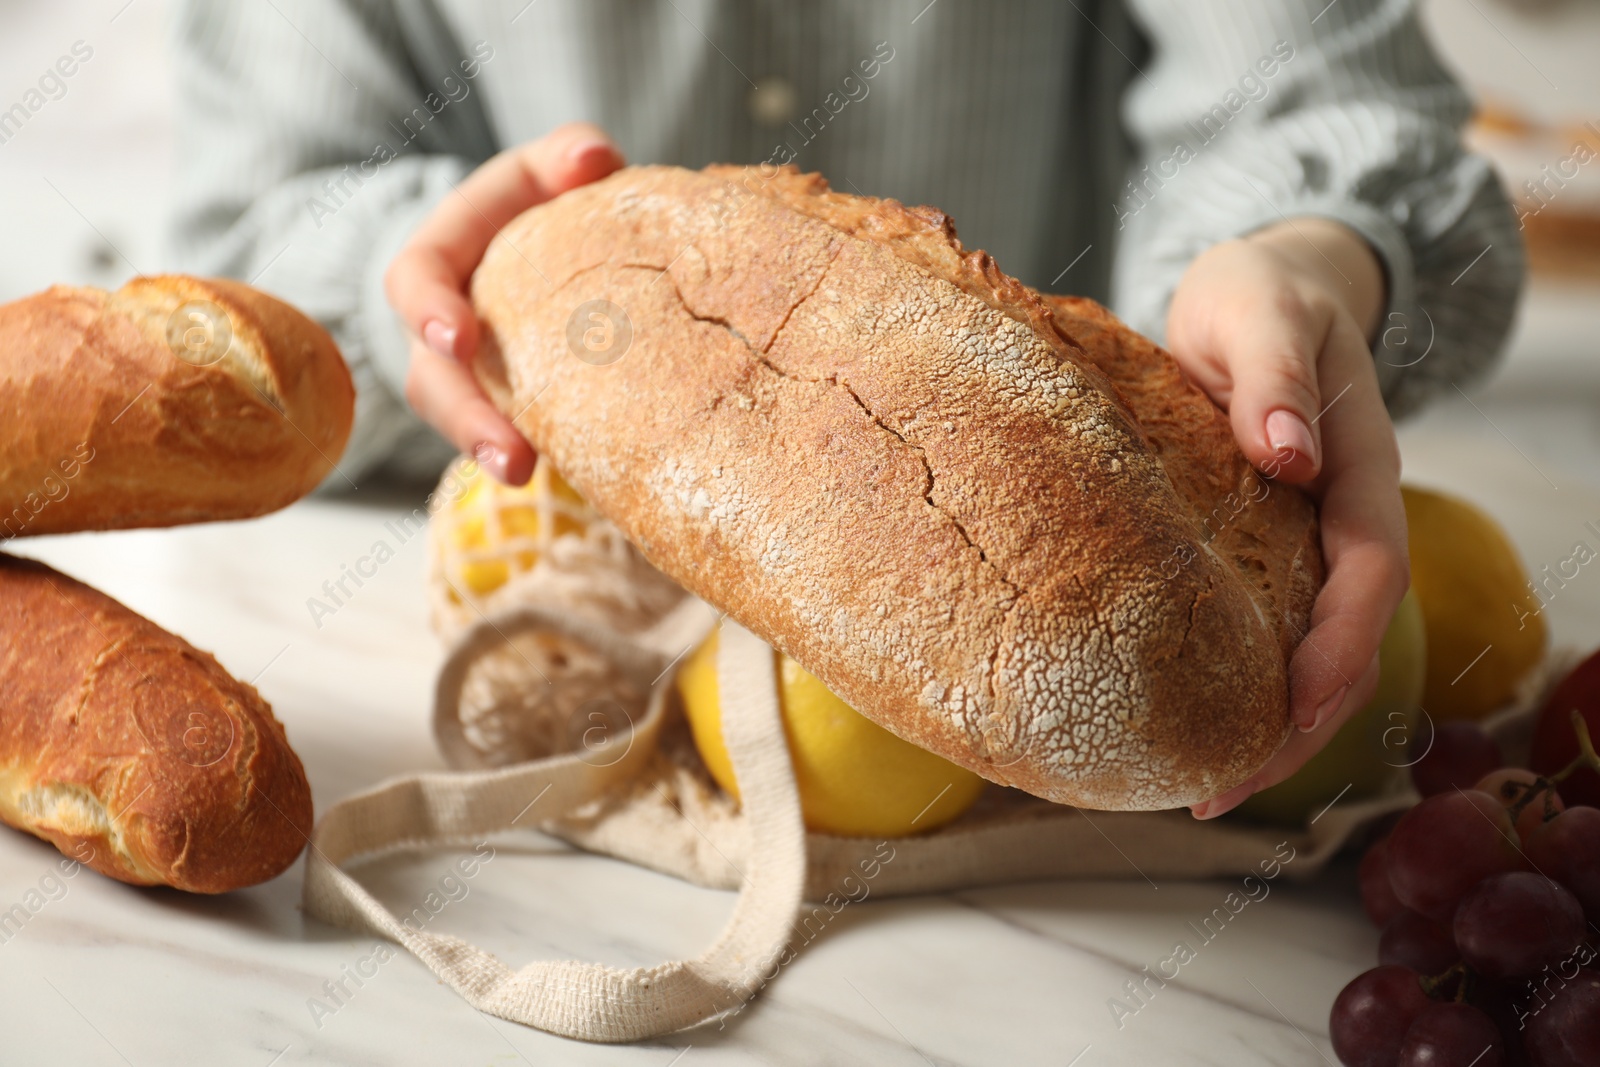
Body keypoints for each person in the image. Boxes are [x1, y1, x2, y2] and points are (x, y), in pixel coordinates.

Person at [169, 0, 1523, 817]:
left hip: (1113, 512)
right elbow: (233, 242)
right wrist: (430, 267)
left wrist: (1304, 256)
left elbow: (1335, 101)